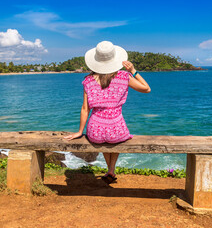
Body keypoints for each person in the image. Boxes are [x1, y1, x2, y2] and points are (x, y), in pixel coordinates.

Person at [64, 41, 151, 184]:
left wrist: (80, 131)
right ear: (114, 59)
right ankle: (111, 169)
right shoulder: (124, 77)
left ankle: (110, 170)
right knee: (113, 137)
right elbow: (146, 88)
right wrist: (133, 71)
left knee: (104, 136)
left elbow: (85, 108)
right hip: (117, 130)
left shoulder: (88, 81)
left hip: (95, 132)